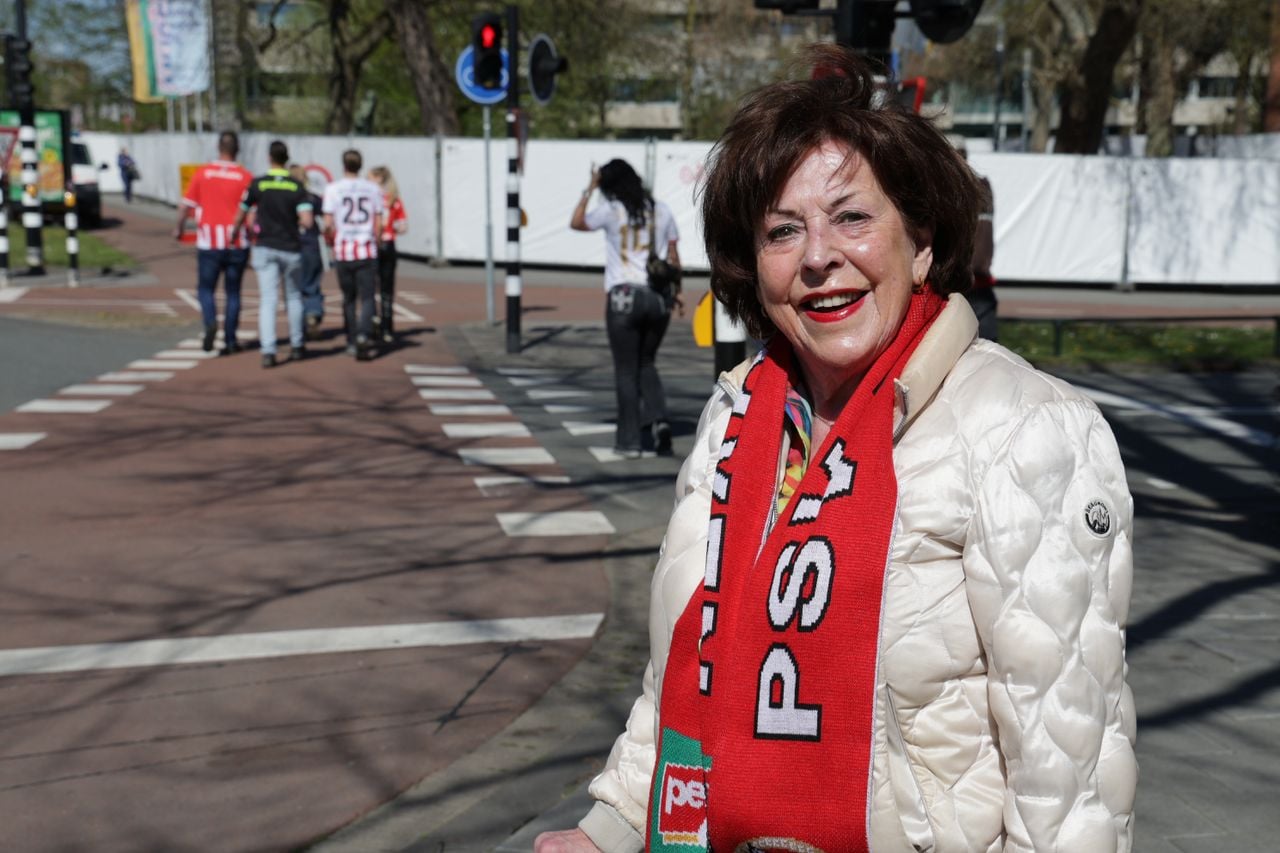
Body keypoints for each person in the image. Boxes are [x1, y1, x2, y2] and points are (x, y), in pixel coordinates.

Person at [537, 44, 1135, 853]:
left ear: (920, 241)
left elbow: (1071, 771)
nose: (819, 255)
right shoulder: (736, 417)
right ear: (756, 266)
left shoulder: (1026, 429)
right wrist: (606, 827)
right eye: (784, 230)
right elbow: (683, 670)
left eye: (852, 217)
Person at [570, 159, 681, 458]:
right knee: (646, 363)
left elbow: (577, 222)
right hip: (657, 298)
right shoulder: (662, 210)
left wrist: (589, 188)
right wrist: (675, 293)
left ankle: (630, 442)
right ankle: (659, 421)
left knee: (626, 371)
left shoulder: (611, 210)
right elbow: (673, 256)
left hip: (623, 298)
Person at [231, 140, 315, 369]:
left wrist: (234, 232)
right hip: (290, 247)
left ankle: (268, 351)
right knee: (294, 297)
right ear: (286, 159)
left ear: (269, 158)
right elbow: (307, 221)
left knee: (268, 299)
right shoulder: (297, 187)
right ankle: (297, 345)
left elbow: (242, 211)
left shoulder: (258, 184)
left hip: (265, 246)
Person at [174, 131, 252, 355]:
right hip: (237, 242)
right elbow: (251, 213)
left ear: (219, 148)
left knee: (206, 289)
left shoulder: (203, 173)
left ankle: (210, 321)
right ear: (237, 149)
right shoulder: (245, 176)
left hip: (209, 241)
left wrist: (178, 228)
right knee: (233, 292)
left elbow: (185, 206)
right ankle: (230, 339)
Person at [321, 149, 383, 360]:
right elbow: (378, 224)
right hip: (366, 248)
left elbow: (328, 224)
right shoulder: (373, 189)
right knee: (367, 297)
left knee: (348, 297)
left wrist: (329, 236)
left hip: (344, 250)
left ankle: (351, 338)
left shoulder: (333, 189)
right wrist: (379, 242)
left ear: (343, 165)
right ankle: (364, 334)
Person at [957, 139, 999, 340]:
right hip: (968, 280)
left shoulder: (977, 186)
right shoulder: (979, 185)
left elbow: (983, 237)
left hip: (967, 280)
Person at [368, 165, 408, 344]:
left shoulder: (371, 198)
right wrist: (393, 227)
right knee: (386, 288)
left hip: (374, 244)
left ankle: (374, 323)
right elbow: (403, 225)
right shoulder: (394, 200)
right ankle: (386, 328)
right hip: (388, 244)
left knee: (370, 286)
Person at [289, 163, 326, 339]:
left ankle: (299, 326)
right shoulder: (312, 198)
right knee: (312, 284)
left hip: (292, 245)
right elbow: (327, 214)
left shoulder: (286, 197)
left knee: (294, 289)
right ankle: (313, 313)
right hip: (311, 245)